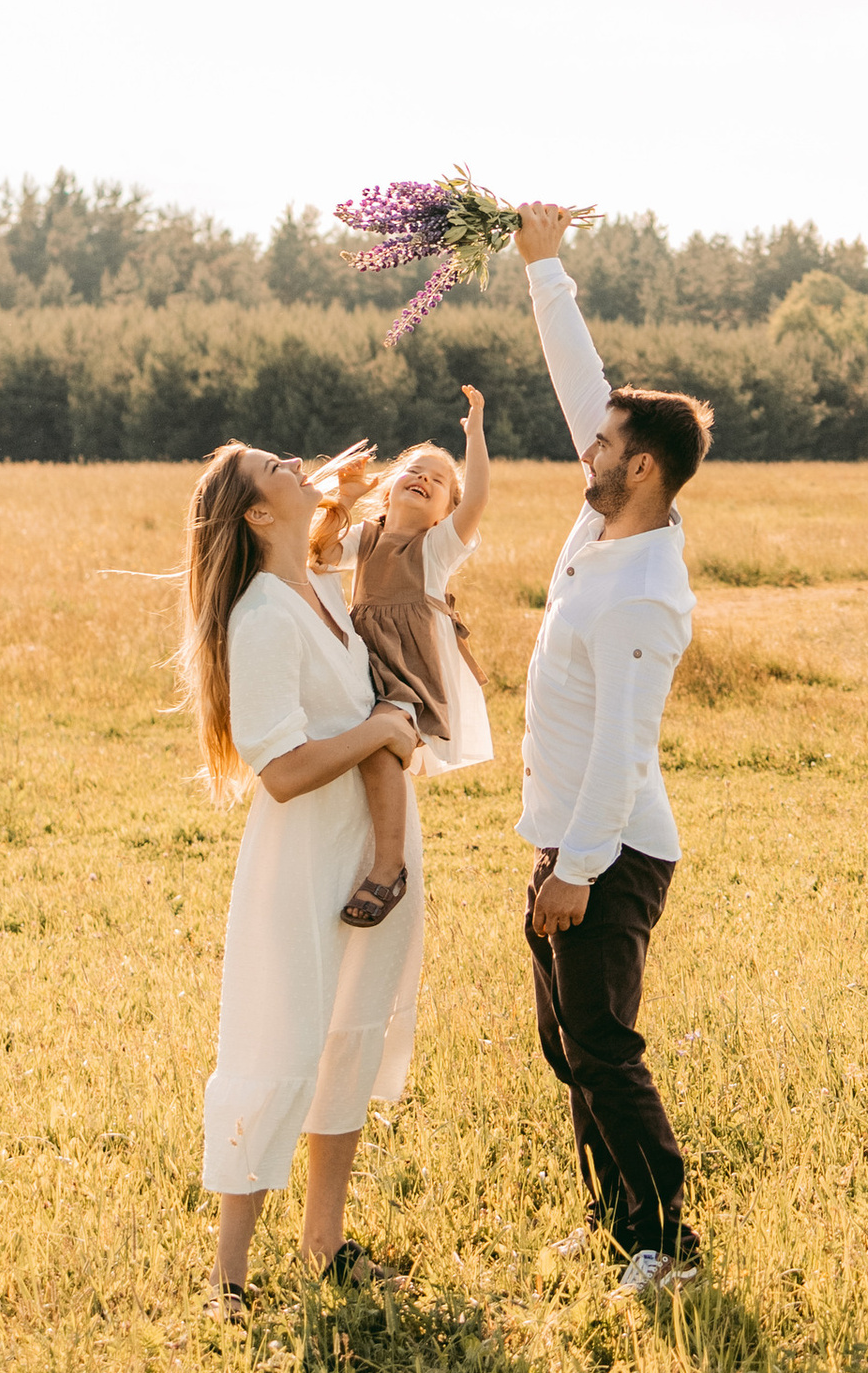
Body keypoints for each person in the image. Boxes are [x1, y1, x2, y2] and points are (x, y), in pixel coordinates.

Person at [514, 199, 711, 1299]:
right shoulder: (608, 523)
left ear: (641, 471)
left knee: (602, 1046)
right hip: (562, 841)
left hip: (610, 853)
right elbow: (588, 394)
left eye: (603, 448)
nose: (585, 447)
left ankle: (665, 1246)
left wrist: (576, 874)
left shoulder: (643, 591)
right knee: (566, 1045)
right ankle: (612, 1222)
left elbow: (626, 755)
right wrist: (547, 270)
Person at [180, 440, 426, 1311]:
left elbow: (335, 540)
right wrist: (382, 728)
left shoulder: (314, 590)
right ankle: (229, 1277)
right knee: (275, 1043)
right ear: (255, 513)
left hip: (367, 848)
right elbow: (280, 769)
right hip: (303, 855)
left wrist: (341, 497)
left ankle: (325, 1243)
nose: (297, 464)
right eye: (275, 469)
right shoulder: (262, 617)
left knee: (349, 1037)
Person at [313, 389, 496, 926]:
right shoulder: (365, 539)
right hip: (359, 671)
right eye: (415, 470)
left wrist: (475, 430)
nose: (424, 478)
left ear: (446, 513)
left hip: (409, 679)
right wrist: (344, 496)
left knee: (378, 746)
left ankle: (388, 868)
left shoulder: (436, 549)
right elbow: (320, 552)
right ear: (389, 489)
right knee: (351, 744)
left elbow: (479, 495)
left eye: (438, 481)